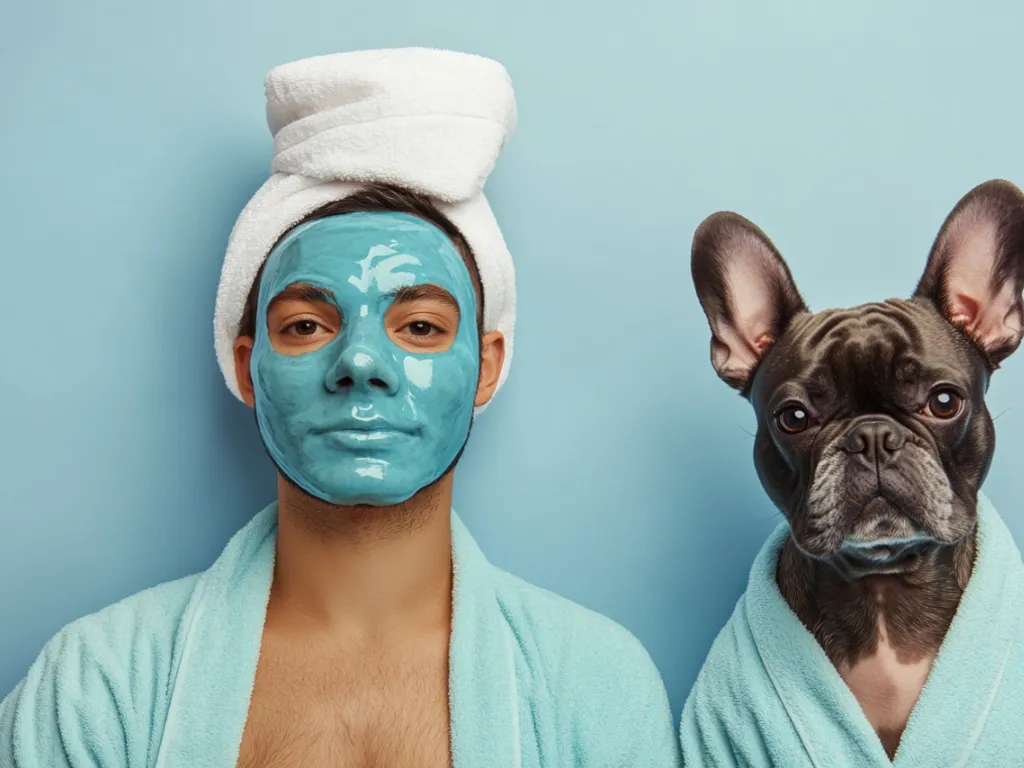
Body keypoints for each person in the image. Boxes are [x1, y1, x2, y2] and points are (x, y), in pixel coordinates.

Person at [0, 48, 678, 768]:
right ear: (245, 367)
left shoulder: (595, 688)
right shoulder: (95, 690)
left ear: (486, 367)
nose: (359, 362)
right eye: (305, 326)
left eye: (419, 326)